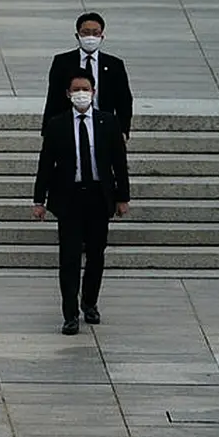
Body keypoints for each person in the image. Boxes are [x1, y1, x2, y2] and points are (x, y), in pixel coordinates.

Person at [32, 70, 130, 335]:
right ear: (67, 93)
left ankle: (90, 302)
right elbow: (46, 165)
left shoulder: (108, 122)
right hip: (69, 198)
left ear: (94, 91)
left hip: (99, 196)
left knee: (96, 254)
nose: (81, 93)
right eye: (76, 89)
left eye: (85, 88)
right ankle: (70, 314)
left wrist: (123, 197)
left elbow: (119, 163)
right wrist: (39, 200)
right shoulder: (57, 124)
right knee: (70, 257)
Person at [43, 12, 133, 142]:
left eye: (95, 33)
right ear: (77, 35)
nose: (90, 37)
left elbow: (124, 100)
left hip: (103, 124)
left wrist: (123, 130)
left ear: (102, 36)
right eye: (85, 32)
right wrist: (48, 130)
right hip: (69, 124)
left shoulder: (114, 65)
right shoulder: (62, 62)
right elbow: (53, 98)